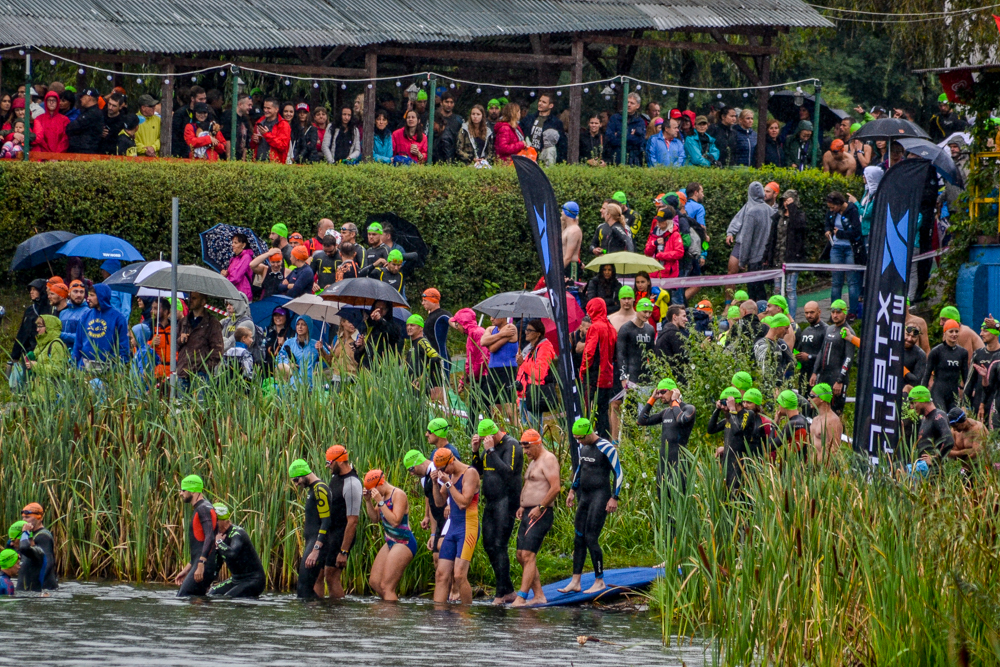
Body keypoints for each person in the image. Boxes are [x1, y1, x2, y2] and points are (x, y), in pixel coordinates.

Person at [558, 417, 622, 595]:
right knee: (578, 538)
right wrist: (572, 490)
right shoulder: (583, 446)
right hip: (584, 497)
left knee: (591, 538)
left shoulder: (606, 447)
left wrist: (614, 497)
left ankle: (599, 580)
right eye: (576, 438)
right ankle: (575, 581)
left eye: (580, 438)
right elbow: (580, 469)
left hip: (600, 497)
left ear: (589, 433)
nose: (578, 441)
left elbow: (618, 472)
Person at [470, 418, 523, 604]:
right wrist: (476, 452)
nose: (485, 443)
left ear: (493, 434)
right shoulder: (487, 448)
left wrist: (491, 450)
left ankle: (501, 594)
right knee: (488, 545)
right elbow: (478, 472)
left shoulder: (512, 445)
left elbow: (508, 472)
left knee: (500, 545)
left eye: (486, 440)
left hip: (507, 501)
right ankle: (507, 589)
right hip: (491, 502)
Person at [513, 429, 561, 607]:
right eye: (524, 448)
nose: (525, 452)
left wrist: (540, 507)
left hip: (540, 513)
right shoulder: (533, 462)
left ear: (538, 444)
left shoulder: (548, 459)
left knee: (528, 554)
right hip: (527, 512)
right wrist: (521, 505)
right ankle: (539, 595)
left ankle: (522, 597)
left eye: (528, 448)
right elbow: (531, 486)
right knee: (520, 555)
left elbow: (555, 488)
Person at [430, 447, 481, 605]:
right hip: (453, 527)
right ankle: (439, 615)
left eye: (442, 469)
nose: (441, 473)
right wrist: (434, 483)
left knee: (459, 575)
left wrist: (448, 483)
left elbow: (464, 503)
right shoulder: (449, 475)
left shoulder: (470, 473)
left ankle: (466, 616)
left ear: (451, 461)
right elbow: (439, 502)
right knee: (441, 574)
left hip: (468, 527)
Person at [360, 469, 415, 601]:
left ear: (380, 483)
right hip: (390, 541)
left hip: (404, 541)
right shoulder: (382, 497)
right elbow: (375, 519)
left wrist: (380, 502)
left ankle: (391, 619)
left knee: (386, 586)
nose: (374, 494)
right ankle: (388, 611)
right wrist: (368, 501)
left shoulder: (398, 494)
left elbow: (395, 521)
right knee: (375, 582)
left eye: (373, 490)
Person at [638, 379, 695, 495]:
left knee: (678, 502)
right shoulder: (665, 413)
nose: (660, 395)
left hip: (679, 464)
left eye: (663, 392)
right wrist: (652, 399)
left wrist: (675, 401)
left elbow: (680, 420)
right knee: (662, 503)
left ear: (673, 391)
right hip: (664, 466)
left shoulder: (688, 409)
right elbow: (641, 421)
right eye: (658, 393)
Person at [287, 459, 333, 599]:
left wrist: (316, 549)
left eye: (296, 480)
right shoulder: (313, 489)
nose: (296, 484)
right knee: (305, 589)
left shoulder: (320, 489)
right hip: (312, 542)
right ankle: (318, 616)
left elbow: (326, 521)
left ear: (304, 473)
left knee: (303, 589)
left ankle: (318, 617)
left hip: (317, 544)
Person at [728, 182, 774, 302]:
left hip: (754, 259)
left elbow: (746, 239)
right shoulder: (770, 210)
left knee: (753, 294)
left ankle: (754, 318)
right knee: (762, 291)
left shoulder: (751, 212)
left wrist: (743, 260)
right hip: (766, 258)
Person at [208, 504, 266, 598]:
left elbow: (232, 554)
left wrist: (219, 542)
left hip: (254, 580)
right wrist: (207, 582)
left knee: (229, 597)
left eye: (213, 521)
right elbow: (217, 564)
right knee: (212, 593)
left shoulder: (237, 533)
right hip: (236, 579)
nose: (211, 524)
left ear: (222, 520)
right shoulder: (220, 535)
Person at [580, 298, 618, 439]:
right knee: (603, 410)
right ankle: (605, 440)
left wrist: (583, 370)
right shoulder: (611, 327)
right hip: (608, 375)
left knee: (590, 410)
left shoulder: (595, 327)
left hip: (595, 376)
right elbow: (615, 355)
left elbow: (589, 352)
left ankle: (591, 440)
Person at [175, 475, 217, 597]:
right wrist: (187, 569)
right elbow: (200, 545)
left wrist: (200, 564)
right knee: (196, 600)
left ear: (193, 490)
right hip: (201, 564)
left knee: (184, 596)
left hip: (204, 566)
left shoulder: (203, 509)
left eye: (183, 490)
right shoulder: (202, 508)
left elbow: (210, 537)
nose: (180, 493)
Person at [766, 190, 807, 316]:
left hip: (792, 259)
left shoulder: (800, 216)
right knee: (777, 290)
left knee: (790, 289)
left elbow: (799, 227)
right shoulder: (777, 217)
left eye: (789, 201)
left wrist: (792, 209)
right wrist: (767, 256)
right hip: (778, 257)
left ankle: (792, 318)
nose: (786, 203)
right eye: (784, 200)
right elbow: (772, 238)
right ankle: (776, 316)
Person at [809, 300, 854, 414]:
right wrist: (815, 372)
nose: (835, 315)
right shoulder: (829, 329)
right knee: (818, 411)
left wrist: (840, 380)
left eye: (838, 312)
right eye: (833, 312)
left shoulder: (848, 332)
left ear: (845, 313)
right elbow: (822, 351)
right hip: (824, 376)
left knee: (835, 412)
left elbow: (849, 358)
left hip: (837, 378)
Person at [72, 284, 130, 371]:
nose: (88, 298)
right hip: (84, 368)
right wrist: (74, 366)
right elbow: (78, 344)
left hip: (108, 369)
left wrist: (118, 368)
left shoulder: (118, 318)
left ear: (101, 296)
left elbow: (123, 347)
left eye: (92, 295)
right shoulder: (85, 317)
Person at [176, 291, 224, 384]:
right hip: (183, 371)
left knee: (201, 399)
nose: (190, 300)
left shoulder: (212, 323)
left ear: (203, 302)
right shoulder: (183, 322)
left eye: (194, 298)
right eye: (190, 297)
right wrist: (180, 340)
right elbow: (174, 345)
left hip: (201, 376)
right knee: (181, 399)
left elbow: (218, 349)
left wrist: (205, 368)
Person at [516, 318, 558, 423]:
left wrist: (522, 363)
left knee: (534, 431)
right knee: (525, 430)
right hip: (524, 393)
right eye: (526, 330)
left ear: (538, 334)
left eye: (530, 330)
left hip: (534, 393)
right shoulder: (530, 348)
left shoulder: (544, 348)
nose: (526, 332)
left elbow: (539, 374)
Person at [907, 385, 954, 476]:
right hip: (924, 472)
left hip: (935, 473)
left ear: (923, 400)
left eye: (914, 403)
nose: (911, 407)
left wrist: (936, 459)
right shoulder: (925, 419)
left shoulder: (938, 416)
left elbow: (949, 440)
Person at [924, 320, 968, 411]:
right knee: (942, 416)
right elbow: (927, 374)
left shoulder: (963, 353)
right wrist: (923, 394)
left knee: (954, 422)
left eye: (956, 331)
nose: (954, 334)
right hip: (938, 392)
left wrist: (967, 396)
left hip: (953, 394)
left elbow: (966, 376)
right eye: (951, 331)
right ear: (945, 333)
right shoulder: (937, 351)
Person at [481, 315, 519, 417]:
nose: (491, 319)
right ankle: (499, 432)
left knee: (509, 407)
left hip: (506, 369)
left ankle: (516, 430)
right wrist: (501, 334)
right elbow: (483, 341)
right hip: (493, 370)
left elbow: (492, 348)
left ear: (503, 316)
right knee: (495, 409)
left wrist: (492, 340)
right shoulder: (490, 329)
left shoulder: (511, 328)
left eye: (494, 316)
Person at [14, 503, 57, 592]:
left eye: (27, 517)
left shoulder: (43, 536)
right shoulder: (29, 535)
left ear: (39, 518)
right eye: (23, 517)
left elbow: (48, 562)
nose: (24, 520)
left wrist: (36, 584)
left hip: (44, 588)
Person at [617, 298, 656, 390]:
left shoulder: (650, 329)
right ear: (637, 310)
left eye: (649, 313)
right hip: (631, 375)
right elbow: (621, 353)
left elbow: (652, 354)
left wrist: (655, 374)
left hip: (646, 376)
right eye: (644, 312)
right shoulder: (626, 329)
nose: (647, 315)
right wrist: (623, 377)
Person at [451, 308, 489, 396]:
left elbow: (482, 358)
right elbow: (470, 361)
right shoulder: (471, 334)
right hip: (476, 376)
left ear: (463, 323)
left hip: (483, 376)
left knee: (482, 406)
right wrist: (464, 380)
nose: (457, 327)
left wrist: (472, 375)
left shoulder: (477, 333)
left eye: (457, 324)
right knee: (474, 406)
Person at [277, 315, 324, 387]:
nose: (300, 327)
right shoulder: (289, 343)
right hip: (292, 385)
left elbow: (328, 361)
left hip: (310, 385)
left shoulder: (315, 345)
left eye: (303, 324)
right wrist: (288, 364)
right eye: (298, 324)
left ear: (309, 327)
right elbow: (280, 358)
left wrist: (321, 351)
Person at [354, 300, 403, 369]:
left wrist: (380, 320)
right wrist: (361, 348)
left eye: (383, 309)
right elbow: (358, 358)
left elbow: (393, 335)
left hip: (383, 371)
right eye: (377, 308)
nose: (379, 311)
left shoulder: (394, 327)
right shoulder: (368, 328)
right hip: (366, 372)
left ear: (388, 310)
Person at [404, 313, 443, 398]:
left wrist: (424, 376)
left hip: (420, 386)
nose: (409, 328)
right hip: (412, 385)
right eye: (407, 325)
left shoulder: (422, 342)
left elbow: (435, 357)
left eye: (412, 325)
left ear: (421, 328)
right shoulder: (413, 344)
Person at [520, 92, 565, 163]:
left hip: (544, 155)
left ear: (550, 105)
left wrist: (560, 161)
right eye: (540, 101)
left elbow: (562, 143)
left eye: (544, 102)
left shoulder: (555, 122)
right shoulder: (529, 118)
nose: (540, 103)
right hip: (528, 154)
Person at [605, 92, 646, 166]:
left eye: (632, 103)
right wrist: (631, 136)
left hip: (633, 160)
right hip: (616, 158)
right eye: (627, 102)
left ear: (638, 106)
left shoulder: (640, 121)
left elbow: (639, 141)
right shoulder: (615, 118)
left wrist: (619, 134)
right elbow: (610, 138)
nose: (628, 105)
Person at [771, 390, 812, 462]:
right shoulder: (803, 419)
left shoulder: (792, 424)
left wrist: (774, 425)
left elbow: (771, 446)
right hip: (803, 466)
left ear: (784, 405)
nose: (779, 407)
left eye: (779, 404)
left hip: (793, 468)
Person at [753, 312, 795, 381]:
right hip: (768, 388)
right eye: (786, 328)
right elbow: (764, 371)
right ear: (777, 327)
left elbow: (792, 362)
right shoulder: (763, 344)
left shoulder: (780, 343)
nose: (787, 332)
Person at [808, 383, 843, 464]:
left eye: (812, 396)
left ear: (822, 399)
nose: (809, 399)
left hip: (825, 471)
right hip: (813, 470)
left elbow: (834, 450)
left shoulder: (833, 421)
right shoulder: (815, 420)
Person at [795, 301, 826, 387]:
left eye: (812, 312)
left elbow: (828, 355)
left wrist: (809, 357)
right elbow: (799, 350)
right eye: (806, 313)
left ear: (819, 312)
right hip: (804, 375)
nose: (809, 315)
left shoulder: (826, 330)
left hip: (819, 375)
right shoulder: (806, 330)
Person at [655, 305, 689, 384]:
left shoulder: (664, 332)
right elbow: (684, 357)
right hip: (674, 381)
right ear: (675, 317)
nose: (686, 319)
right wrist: (700, 349)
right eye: (683, 316)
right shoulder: (673, 333)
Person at [251, 98, 291, 163]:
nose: (265, 110)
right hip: (257, 161)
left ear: (276, 109)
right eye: (264, 108)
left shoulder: (283, 124)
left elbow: (283, 146)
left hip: (274, 163)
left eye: (268, 108)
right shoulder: (260, 122)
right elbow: (252, 146)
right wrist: (254, 140)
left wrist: (267, 135)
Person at [65, 88, 104, 154]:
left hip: (86, 151)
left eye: (82, 97)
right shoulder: (86, 111)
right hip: (80, 149)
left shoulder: (93, 113)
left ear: (89, 98)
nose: (80, 99)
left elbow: (72, 127)